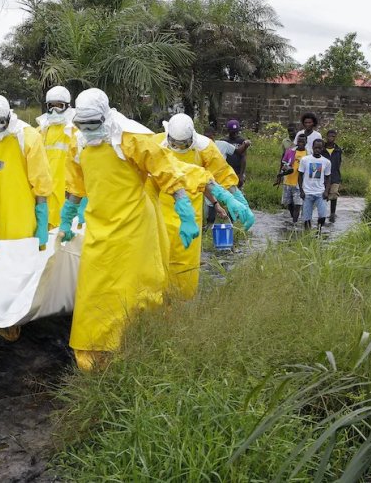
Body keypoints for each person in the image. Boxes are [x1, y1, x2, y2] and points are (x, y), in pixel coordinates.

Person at [56, 88, 245, 371]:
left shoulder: (131, 137)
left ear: (105, 117)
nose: (88, 130)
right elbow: (75, 183)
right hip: (99, 226)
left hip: (134, 227)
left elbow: (166, 171)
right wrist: (67, 215)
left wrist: (185, 207)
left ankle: (133, 344)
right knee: (94, 289)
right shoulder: (78, 141)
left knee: (134, 289)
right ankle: (93, 350)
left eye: (92, 124)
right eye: (82, 125)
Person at [0, 94, 53, 342]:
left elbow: (42, 184)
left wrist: (42, 220)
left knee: (20, 270)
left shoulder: (28, 138)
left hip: (21, 218)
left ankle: (15, 319)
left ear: (9, 118)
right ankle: (0, 316)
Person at [155, 114, 255, 299]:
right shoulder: (155, 145)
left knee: (186, 264)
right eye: (175, 144)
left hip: (191, 215)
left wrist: (237, 197)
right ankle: (157, 306)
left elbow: (221, 173)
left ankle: (180, 304)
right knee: (157, 262)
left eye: (184, 145)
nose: (179, 148)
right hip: (159, 212)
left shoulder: (205, 148)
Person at [35, 86, 80, 229]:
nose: (54, 110)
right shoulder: (41, 130)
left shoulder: (76, 130)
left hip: (68, 193)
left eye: (59, 106)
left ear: (67, 106)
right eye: (51, 106)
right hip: (45, 193)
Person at [298, 139, 331, 231]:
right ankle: (307, 235)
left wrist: (326, 191)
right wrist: (301, 190)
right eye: (316, 148)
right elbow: (300, 176)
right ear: (312, 147)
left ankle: (318, 231)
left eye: (319, 148)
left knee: (323, 215)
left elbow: (328, 178)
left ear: (322, 149)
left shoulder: (326, 162)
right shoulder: (305, 160)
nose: (317, 150)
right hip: (307, 192)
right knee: (306, 217)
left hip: (320, 193)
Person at [280, 133, 308, 226]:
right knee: (289, 204)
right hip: (288, 181)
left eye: (303, 141)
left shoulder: (308, 154)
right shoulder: (290, 151)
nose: (300, 143)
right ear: (297, 142)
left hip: (300, 183)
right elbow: (283, 165)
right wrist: (285, 169)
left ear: (306, 142)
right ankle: (294, 221)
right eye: (299, 141)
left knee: (298, 205)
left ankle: (294, 224)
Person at [321, 129, 343, 223]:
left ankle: (332, 213)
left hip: (335, 175)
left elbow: (339, 163)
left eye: (333, 136)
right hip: (323, 176)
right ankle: (322, 213)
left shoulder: (338, 150)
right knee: (323, 195)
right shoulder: (322, 149)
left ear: (335, 138)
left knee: (334, 194)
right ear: (326, 137)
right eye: (329, 136)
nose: (331, 138)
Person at [224, 119, 251, 189]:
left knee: (239, 192)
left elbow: (243, 157)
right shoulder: (224, 141)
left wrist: (241, 175)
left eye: (236, 132)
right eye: (233, 132)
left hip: (238, 171)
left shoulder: (241, 141)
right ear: (228, 131)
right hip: (226, 173)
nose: (235, 134)